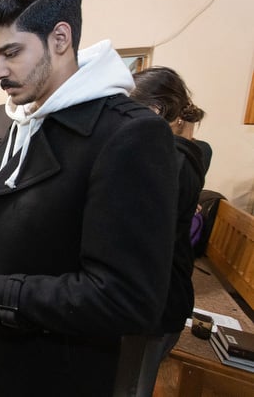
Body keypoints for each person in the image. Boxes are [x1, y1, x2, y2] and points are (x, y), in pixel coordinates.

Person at [0, 0, 178, 396]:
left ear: (60, 38)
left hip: (57, 367)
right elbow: (6, 201)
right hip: (3, 349)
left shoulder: (129, 135)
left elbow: (125, 297)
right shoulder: (26, 118)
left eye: (10, 52)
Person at [120, 66, 206, 396]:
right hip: (156, 293)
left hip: (157, 299)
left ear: (156, 111)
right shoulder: (173, 155)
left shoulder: (174, 159)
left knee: (130, 387)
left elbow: (146, 233)